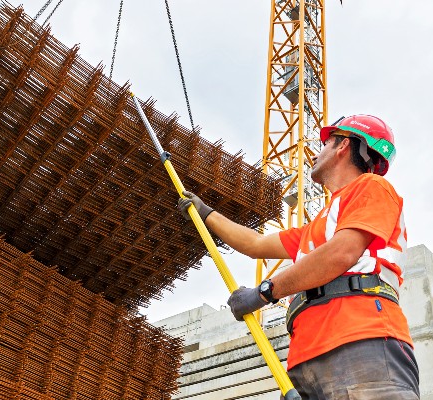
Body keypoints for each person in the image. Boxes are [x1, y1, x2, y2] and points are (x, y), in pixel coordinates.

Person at [177, 115, 419, 399]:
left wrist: (264, 292)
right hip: (305, 360)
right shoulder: (318, 226)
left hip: (362, 340)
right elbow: (255, 244)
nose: (317, 153)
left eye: (325, 143)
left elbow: (342, 253)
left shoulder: (371, 188)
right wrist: (206, 213)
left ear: (342, 146)